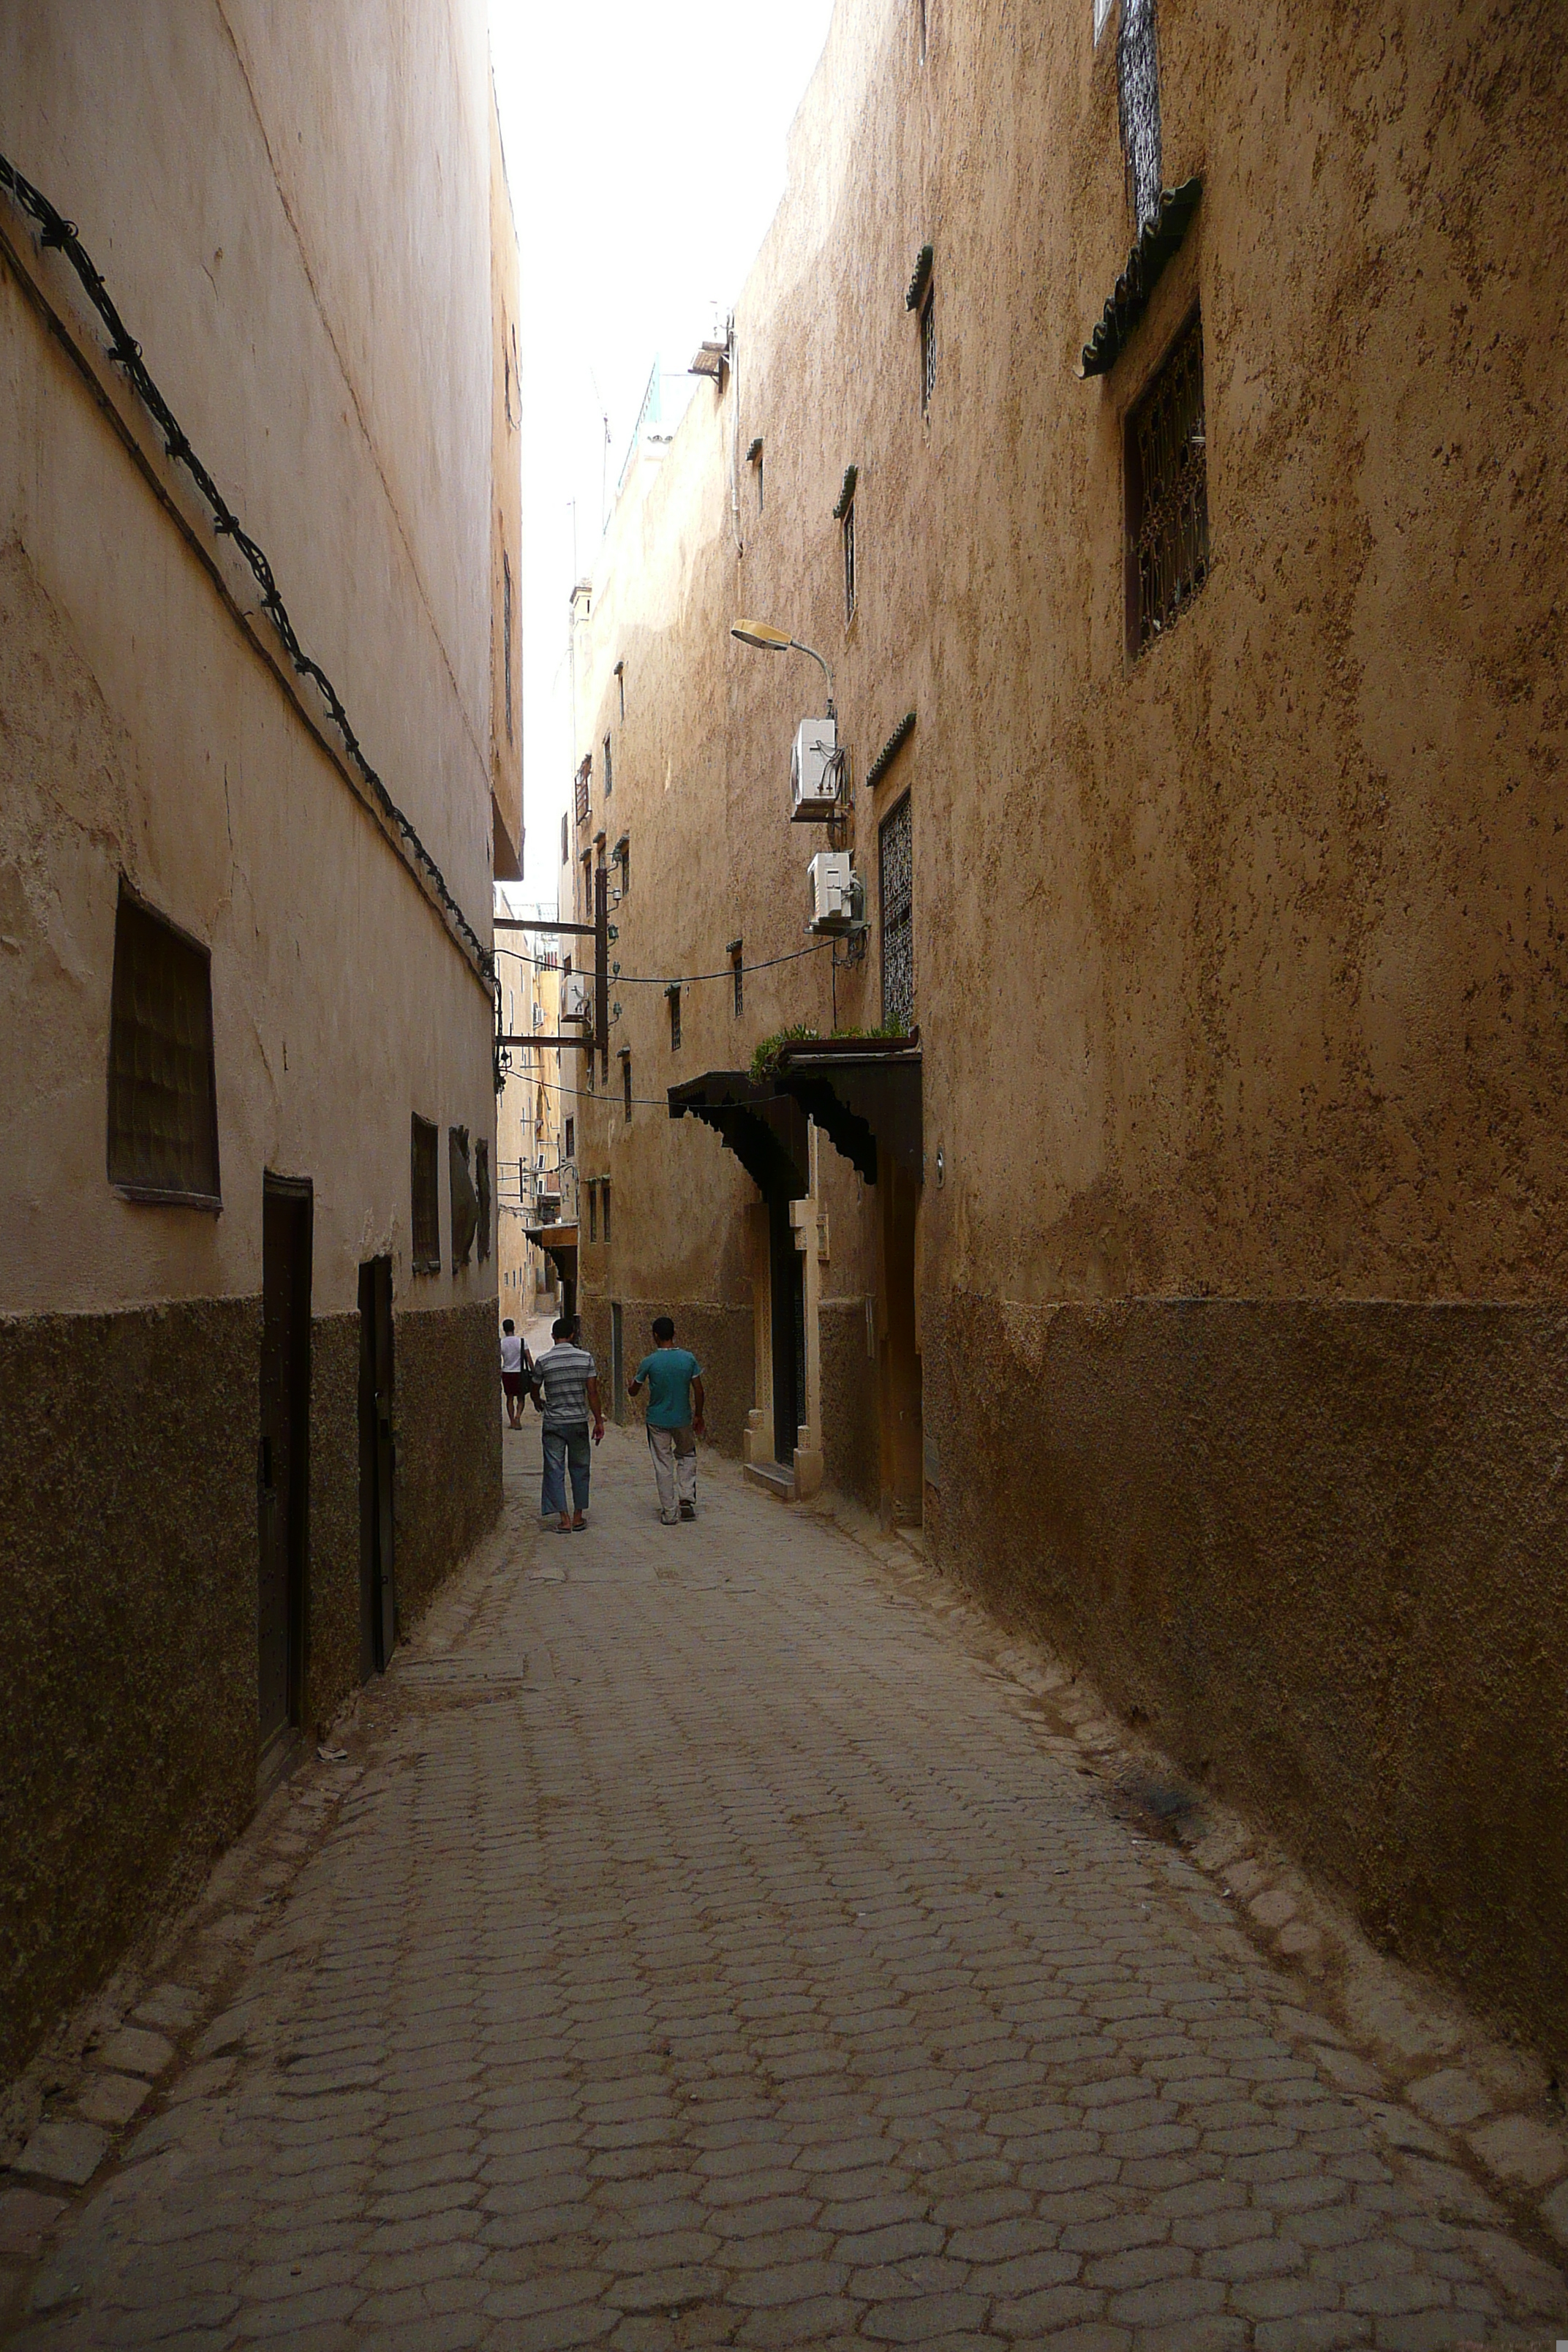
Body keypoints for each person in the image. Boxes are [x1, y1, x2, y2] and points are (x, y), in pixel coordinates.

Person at [628, 1316, 706, 1524]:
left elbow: (634, 1391)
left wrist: (632, 1384)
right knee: (687, 1455)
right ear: (674, 1333)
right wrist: (699, 1414)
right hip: (683, 1418)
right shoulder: (688, 1359)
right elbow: (699, 1389)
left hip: (657, 1420)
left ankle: (669, 1512)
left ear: (655, 1336)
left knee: (663, 1464)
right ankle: (687, 1499)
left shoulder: (649, 1362)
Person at [531, 1315, 603, 1531]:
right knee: (580, 1467)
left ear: (553, 1336)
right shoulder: (586, 1359)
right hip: (578, 1421)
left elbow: (535, 1388)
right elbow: (592, 1392)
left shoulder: (543, 1361)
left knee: (554, 1468)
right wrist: (598, 1421)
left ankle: (563, 1519)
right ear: (572, 1335)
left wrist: (538, 1402)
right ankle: (578, 1516)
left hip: (553, 1422)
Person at [500, 1318, 529, 1431]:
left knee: (510, 1398)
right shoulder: (522, 1342)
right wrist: (534, 1371)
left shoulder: (502, 1343)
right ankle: (518, 1416)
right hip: (520, 1373)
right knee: (521, 1398)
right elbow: (528, 1357)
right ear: (514, 1328)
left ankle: (512, 1421)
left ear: (504, 1329)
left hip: (507, 1373)